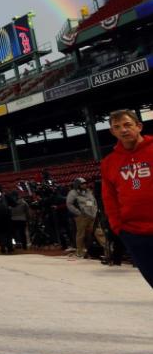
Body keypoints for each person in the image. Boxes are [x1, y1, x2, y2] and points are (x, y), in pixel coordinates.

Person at [100, 109, 153, 288]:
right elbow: (109, 198)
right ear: (112, 132)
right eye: (117, 127)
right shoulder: (109, 163)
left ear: (139, 126)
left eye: (127, 124)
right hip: (133, 233)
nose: (123, 130)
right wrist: (118, 227)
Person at [66, 178, 98, 259]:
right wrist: (78, 213)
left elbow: (93, 202)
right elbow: (69, 204)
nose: (85, 185)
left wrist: (94, 212)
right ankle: (79, 251)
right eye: (82, 184)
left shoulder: (88, 192)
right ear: (78, 185)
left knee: (92, 233)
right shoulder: (73, 193)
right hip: (81, 217)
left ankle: (89, 251)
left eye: (85, 183)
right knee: (81, 234)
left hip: (91, 216)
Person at [0, 185, 13, 254]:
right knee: (8, 234)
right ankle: (10, 248)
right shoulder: (6, 196)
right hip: (7, 218)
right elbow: (14, 204)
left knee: (0, 234)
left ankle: (3, 248)